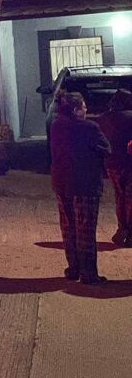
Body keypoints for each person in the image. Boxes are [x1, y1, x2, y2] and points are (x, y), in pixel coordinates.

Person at [49, 92, 111, 284]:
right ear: (76, 110)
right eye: (84, 107)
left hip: (62, 182)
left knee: (69, 228)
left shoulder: (56, 125)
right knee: (85, 229)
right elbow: (106, 149)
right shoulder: (90, 128)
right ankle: (89, 274)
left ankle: (73, 269)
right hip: (85, 184)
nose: (86, 110)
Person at [97, 89, 132, 246]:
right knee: (130, 198)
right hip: (129, 162)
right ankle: (130, 234)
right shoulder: (130, 117)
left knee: (119, 196)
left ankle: (122, 228)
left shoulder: (104, 118)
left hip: (112, 163)